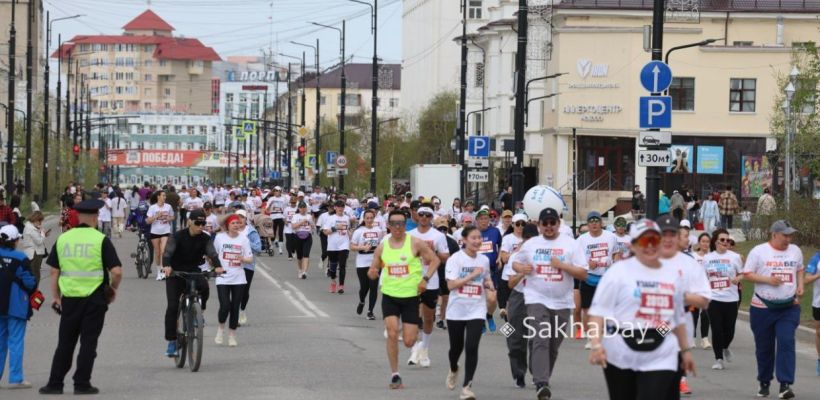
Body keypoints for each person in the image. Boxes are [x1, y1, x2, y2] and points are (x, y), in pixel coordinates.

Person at [587, 219, 696, 400]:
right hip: (621, 348)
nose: (650, 246)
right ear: (633, 245)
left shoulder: (673, 275)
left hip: (661, 349)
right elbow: (598, 314)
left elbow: (677, 318)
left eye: (655, 240)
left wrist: (685, 351)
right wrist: (596, 344)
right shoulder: (618, 273)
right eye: (645, 241)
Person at [39, 199, 123, 395]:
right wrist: (112, 289)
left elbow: (54, 272)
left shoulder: (64, 239)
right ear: (95, 217)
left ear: (78, 217)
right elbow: (117, 271)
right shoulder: (100, 239)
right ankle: (82, 383)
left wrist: (56, 297)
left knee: (65, 343)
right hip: (95, 299)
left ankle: (55, 383)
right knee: (88, 342)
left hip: (69, 298)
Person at [512, 207, 588, 400]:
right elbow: (514, 263)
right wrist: (522, 267)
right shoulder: (531, 244)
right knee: (541, 337)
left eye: (552, 222)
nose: (548, 226)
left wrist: (562, 265)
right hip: (536, 298)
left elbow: (583, 273)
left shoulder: (571, 244)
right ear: (539, 225)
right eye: (544, 223)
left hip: (563, 301)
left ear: (558, 224)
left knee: (553, 345)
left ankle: (542, 374)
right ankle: (541, 382)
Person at [367, 210, 441, 390]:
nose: (398, 227)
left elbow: (435, 260)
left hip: (410, 297)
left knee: (408, 341)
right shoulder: (383, 246)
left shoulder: (415, 243)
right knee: (392, 333)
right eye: (395, 223)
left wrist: (425, 279)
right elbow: (373, 267)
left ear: (406, 224)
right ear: (389, 226)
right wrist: (372, 272)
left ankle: (414, 342)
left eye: (401, 223)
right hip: (390, 295)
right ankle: (395, 375)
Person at [743, 220, 803, 399]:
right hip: (763, 308)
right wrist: (768, 280)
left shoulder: (795, 251)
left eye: (790, 235)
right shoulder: (759, 251)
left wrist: (800, 286)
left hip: (788, 307)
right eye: (785, 235)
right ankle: (764, 381)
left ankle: (785, 385)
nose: (788, 239)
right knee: (764, 348)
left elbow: (799, 269)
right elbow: (747, 274)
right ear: (774, 234)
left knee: (786, 342)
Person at [444, 226, 496, 400]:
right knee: (455, 349)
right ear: (464, 240)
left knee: (472, 347)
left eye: (479, 238)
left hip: (476, 308)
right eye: (473, 238)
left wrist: (489, 284)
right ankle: (453, 368)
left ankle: (467, 387)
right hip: (456, 310)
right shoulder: (455, 259)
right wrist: (471, 276)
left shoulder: (483, 260)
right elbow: (451, 285)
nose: (477, 241)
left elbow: (486, 277)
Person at [160, 209, 221, 357]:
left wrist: (218, 266)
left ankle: (198, 313)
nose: (201, 226)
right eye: (197, 223)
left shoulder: (205, 238)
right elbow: (167, 253)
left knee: (205, 287)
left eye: (203, 223)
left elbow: (212, 253)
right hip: (175, 273)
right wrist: (167, 266)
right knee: (173, 306)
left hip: (193, 271)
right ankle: (172, 341)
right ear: (189, 222)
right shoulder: (177, 236)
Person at [407, 205, 450, 368]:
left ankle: (424, 347)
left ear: (432, 218)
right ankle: (414, 349)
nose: (424, 217)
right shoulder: (409, 235)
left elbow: (445, 257)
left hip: (431, 280)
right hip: (411, 280)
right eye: (421, 214)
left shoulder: (438, 236)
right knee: (412, 315)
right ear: (417, 216)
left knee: (429, 317)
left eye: (427, 215)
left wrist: (431, 251)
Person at [576, 211, 621, 349]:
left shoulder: (611, 237)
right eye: (591, 221)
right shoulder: (581, 240)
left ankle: (606, 336)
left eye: (597, 221)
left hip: (605, 278)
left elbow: (616, 254)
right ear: (588, 224)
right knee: (587, 309)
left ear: (601, 223)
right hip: (588, 277)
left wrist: (614, 267)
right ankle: (591, 338)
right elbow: (576, 259)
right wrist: (587, 263)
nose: (594, 223)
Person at [502, 222, 539, 388]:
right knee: (515, 338)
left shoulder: (541, 255)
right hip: (519, 296)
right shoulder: (516, 256)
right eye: (527, 239)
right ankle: (519, 373)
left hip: (538, 297)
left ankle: (538, 373)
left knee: (538, 338)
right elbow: (510, 283)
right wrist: (522, 272)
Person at [0, 225, 37, 389]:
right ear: (15, 241)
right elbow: (30, 282)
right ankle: (16, 378)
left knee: (0, 342)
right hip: (15, 306)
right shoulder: (20, 257)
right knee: (15, 342)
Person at [703, 229, 743, 371]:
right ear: (716, 242)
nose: (726, 242)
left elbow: (743, 273)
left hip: (731, 298)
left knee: (730, 330)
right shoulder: (707, 258)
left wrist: (737, 278)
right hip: (713, 298)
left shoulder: (735, 257)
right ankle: (718, 359)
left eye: (728, 240)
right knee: (716, 329)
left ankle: (725, 347)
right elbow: (703, 277)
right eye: (723, 240)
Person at [213, 214, 253, 347]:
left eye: (238, 223)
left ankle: (232, 335)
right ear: (227, 225)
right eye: (233, 223)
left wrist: (243, 259)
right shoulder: (220, 238)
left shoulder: (244, 239)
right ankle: (220, 329)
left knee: (235, 307)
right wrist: (214, 267)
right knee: (225, 306)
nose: (236, 225)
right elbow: (213, 255)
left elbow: (250, 258)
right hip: (223, 277)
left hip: (239, 277)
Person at [351, 209, 383, 319]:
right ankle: (362, 301)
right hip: (362, 262)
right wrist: (362, 247)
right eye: (367, 218)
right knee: (364, 287)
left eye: (371, 218)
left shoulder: (378, 231)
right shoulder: (359, 231)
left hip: (375, 263)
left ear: (374, 219)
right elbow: (352, 247)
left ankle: (370, 311)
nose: (369, 220)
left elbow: (382, 245)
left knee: (373, 287)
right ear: (364, 219)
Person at [475, 209, 502, 332]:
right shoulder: (472, 233)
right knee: (478, 298)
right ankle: (480, 321)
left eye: (486, 218)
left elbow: (501, 245)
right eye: (481, 219)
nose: (484, 221)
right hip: (476, 271)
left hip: (491, 270)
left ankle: (489, 315)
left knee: (492, 299)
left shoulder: (495, 231)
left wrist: (499, 257)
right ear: (477, 220)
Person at [498, 214, 527, 320]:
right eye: (518, 224)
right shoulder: (508, 238)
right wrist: (517, 250)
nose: (520, 227)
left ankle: (521, 333)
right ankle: (509, 335)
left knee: (520, 310)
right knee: (510, 310)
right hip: (509, 276)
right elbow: (504, 259)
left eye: (523, 224)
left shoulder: (529, 239)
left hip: (524, 277)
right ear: (513, 225)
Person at [235, 210, 262, 326]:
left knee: (244, 291)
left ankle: (242, 310)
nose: (240, 220)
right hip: (234, 265)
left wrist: (246, 241)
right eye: (237, 217)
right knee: (235, 290)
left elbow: (258, 248)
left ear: (246, 219)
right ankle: (234, 317)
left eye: (242, 217)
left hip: (247, 265)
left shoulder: (251, 232)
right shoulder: (231, 231)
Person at [323, 200, 354, 294]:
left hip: (344, 244)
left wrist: (350, 233)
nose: (341, 208)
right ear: (335, 207)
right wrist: (335, 228)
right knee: (332, 266)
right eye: (339, 206)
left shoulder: (347, 218)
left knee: (342, 265)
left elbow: (348, 229)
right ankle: (333, 281)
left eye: (342, 206)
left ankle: (341, 286)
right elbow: (325, 232)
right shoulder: (330, 218)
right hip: (332, 245)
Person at [147, 191, 174, 280]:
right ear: (158, 197)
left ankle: (163, 271)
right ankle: (158, 271)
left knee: (163, 251)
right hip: (155, 232)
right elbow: (148, 221)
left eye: (165, 195)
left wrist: (168, 218)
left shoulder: (168, 206)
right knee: (157, 253)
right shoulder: (152, 207)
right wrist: (156, 216)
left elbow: (173, 217)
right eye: (163, 195)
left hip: (165, 231)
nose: (165, 197)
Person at [803, 250, 820, 376]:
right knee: (819, 332)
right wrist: (818, 275)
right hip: (819, 302)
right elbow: (806, 279)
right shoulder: (816, 258)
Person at [20, 211, 49, 283]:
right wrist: (42, 233)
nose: (40, 223)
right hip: (35, 253)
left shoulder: (29, 226)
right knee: (36, 275)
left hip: (31, 253)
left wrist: (41, 233)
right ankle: (35, 292)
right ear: (36, 219)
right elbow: (39, 241)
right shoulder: (31, 229)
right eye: (40, 221)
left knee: (34, 273)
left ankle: (34, 291)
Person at [291, 202, 314, 279]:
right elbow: (293, 226)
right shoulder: (295, 216)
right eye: (301, 208)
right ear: (299, 208)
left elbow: (313, 226)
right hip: (298, 236)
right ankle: (300, 269)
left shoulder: (309, 216)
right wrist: (302, 222)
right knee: (299, 256)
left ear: (306, 208)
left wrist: (311, 224)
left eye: (304, 207)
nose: (303, 209)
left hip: (308, 236)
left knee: (306, 254)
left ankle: (304, 272)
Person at [266, 186, 287, 255]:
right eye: (275, 191)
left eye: (278, 191)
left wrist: (285, 217)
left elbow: (285, 209)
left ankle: (280, 248)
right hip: (273, 216)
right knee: (273, 232)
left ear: (280, 192)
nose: (276, 192)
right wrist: (270, 205)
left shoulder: (284, 199)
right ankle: (271, 247)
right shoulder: (271, 199)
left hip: (281, 216)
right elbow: (267, 209)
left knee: (280, 232)